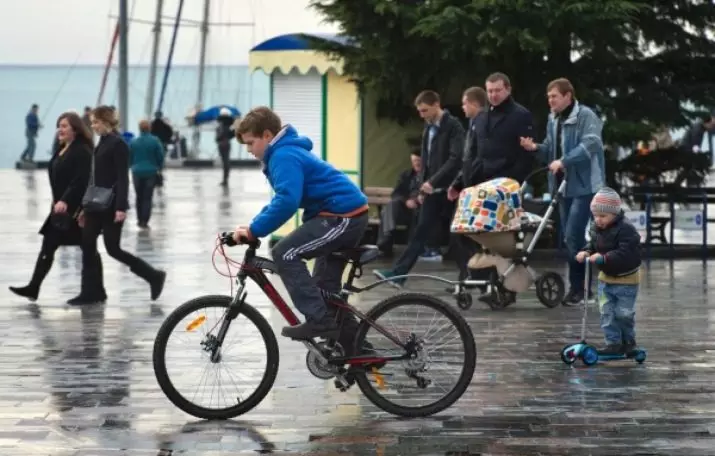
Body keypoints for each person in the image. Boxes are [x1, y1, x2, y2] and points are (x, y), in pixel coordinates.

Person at [232, 106, 369, 341]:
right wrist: (252, 227)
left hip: (343, 216)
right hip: (342, 215)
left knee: (284, 253)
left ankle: (320, 323)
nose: (249, 150)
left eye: (250, 143)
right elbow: (281, 199)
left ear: (267, 135)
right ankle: (359, 353)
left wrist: (255, 231)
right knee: (325, 293)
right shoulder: (285, 152)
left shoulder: (283, 156)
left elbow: (287, 201)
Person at [520, 78, 605, 305]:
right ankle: (580, 288)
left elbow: (591, 144)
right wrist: (535, 148)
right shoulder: (553, 120)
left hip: (585, 186)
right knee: (570, 239)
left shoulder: (586, 116)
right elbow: (551, 149)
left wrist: (565, 161)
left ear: (568, 96)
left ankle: (582, 290)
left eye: (554, 96)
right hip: (562, 187)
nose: (550, 101)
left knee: (572, 235)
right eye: (548, 97)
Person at [71, 105, 166, 305]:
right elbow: (94, 178)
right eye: (92, 122)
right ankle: (91, 292)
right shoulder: (102, 143)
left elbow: (123, 178)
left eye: (96, 122)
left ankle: (153, 276)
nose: (93, 126)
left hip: (111, 205)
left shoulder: (118, 144)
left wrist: (121, 207)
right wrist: (83, 208)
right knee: (87, 244)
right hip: (95, 204)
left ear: (106, 122)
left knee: (113, 249)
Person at [9, 112, 104, 301]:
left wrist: (66, 200)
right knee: (49, 246)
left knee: (88, 249)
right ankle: (34, 287)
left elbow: (80, 180)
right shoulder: (63, 149)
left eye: (64, 126)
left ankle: (95, 291)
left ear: (75, 130)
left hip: (77, 210)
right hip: (61, 211)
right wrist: (57, 200)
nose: (59, 129)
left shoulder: (81, 151)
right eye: (59, 126)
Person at [373, 90, 464, 287]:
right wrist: (422, 188)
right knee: (420, 233)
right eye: (420, 111)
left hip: (449, 190)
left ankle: (471, 277)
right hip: (431, 191)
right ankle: (399, 274)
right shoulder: (428, 129)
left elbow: (455, 159)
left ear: (436, 105)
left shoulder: (453, 126)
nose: (422, 115)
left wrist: (434, 181)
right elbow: (426, 162)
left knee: (459, 236)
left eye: (425, 110)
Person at [575, 188, 641, 355]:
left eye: (603, 216)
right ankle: (613, 343)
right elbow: (593, 245)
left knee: (623, 314)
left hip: (626, 280)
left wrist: (604, 258)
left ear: (614, 214)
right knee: (607, 312)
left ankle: (628, 341)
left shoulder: (626, 229)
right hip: (606, 279)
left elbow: (625, 252)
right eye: (595, 216)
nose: (598, 220)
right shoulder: (596, 227)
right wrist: (586, 252)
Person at [447, 86, 489, 290]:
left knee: (464, 231)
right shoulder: (473, 124)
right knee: (462, 232)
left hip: (476, 187)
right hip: (469, 186)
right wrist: (458, 182)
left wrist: (469, 183)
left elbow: (477, 158)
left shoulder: (481, 124)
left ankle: (474, 274)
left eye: (464, 103)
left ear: (473, 104)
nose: (462, 107)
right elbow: (467, 160)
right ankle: (469, 274)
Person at [376, 152, 422, 256]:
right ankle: (386, 240)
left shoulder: (429, 176)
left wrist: (417, 200)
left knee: (386, 212)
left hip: (420, 209)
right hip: (404, 210)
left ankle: (385, 241)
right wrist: (406, 201)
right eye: (414, 161)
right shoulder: (406, 175)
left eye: (418, 161)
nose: (416, 163)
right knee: (392, 204)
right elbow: (396, 193)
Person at [130, 119, 165, 229]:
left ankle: (139, 219)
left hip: (136, 172)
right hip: (151, 172)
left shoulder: (134, 141)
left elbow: (129, 157)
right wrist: (159, 167)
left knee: (138, 197)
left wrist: (132, 166)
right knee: (147, 197)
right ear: (149, 128)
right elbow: (160, 155)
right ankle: (145, 220)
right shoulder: (155, 141)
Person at [216, 107, 235, 187]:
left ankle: (225, 180)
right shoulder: (229, 125)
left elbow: (219, 136)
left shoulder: (221, 125)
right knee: (226, 162)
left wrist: (218, 138)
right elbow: (232, 135)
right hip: (227, 143)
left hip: (222, 144)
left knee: (225, 163)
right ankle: (225, 179)